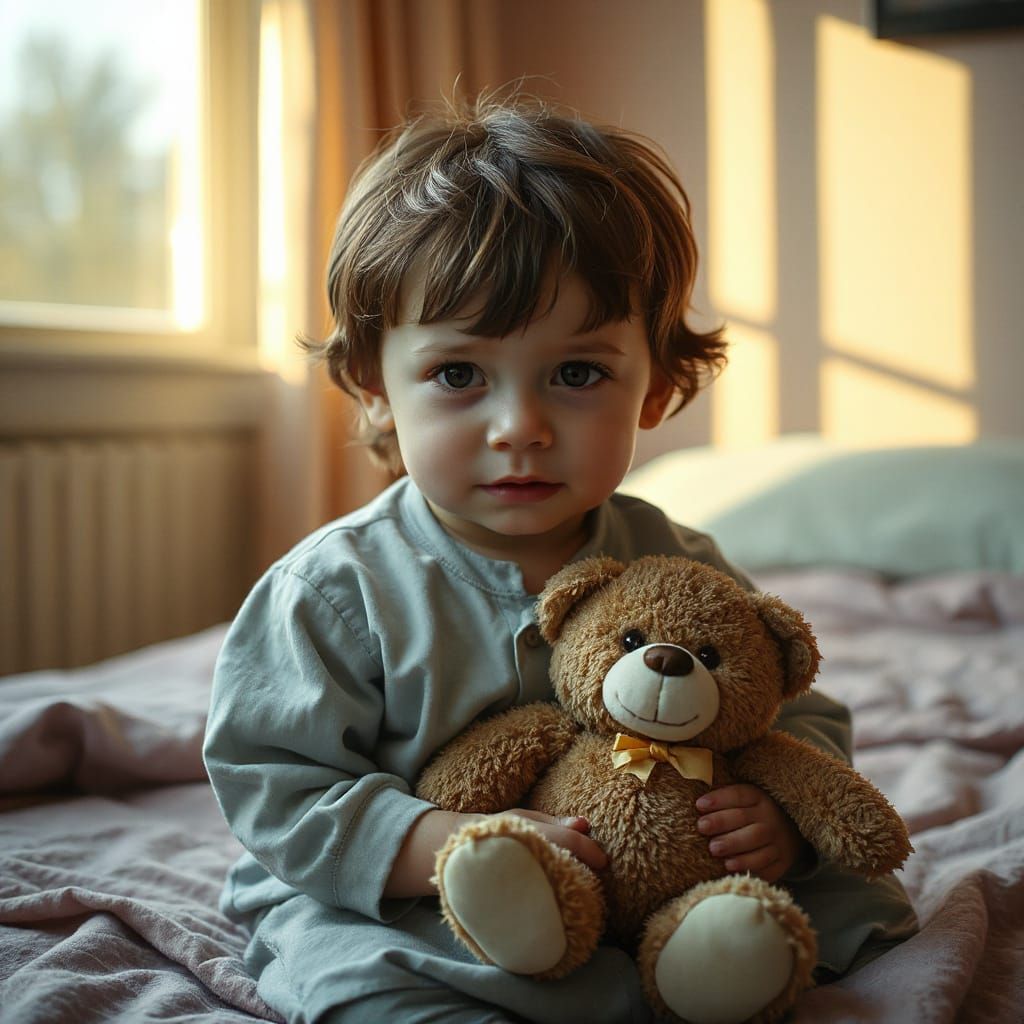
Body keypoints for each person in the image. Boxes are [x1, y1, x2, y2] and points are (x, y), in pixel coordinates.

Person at [204, 93, 917, 1024]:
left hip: (659, 878)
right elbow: (276, 783)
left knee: (857, 914)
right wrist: (450, 841)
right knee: (357, 972)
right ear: (376, 388)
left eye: (578, 374)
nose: (521, 429)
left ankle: (705, 966)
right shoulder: (334, 591)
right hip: (420, 894)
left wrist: (780, 823)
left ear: (655, 387)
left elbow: (790, 706)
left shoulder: (674, 555)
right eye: (459, 375)